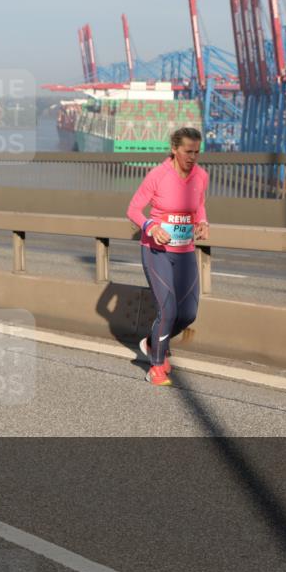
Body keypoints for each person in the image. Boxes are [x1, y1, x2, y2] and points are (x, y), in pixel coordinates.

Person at [126, 127, 209, 387]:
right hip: (157, 251)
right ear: (175, 149)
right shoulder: (158, 175)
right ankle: (156, 366)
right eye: (187, 151)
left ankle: (153, 342)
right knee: (168, 310)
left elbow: (199, 205)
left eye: (197, 152)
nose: (193, 157)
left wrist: (203, 222)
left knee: (188, 314)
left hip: (185, 252)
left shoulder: (201, 176)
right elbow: (133, 209)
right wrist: (152, 226)